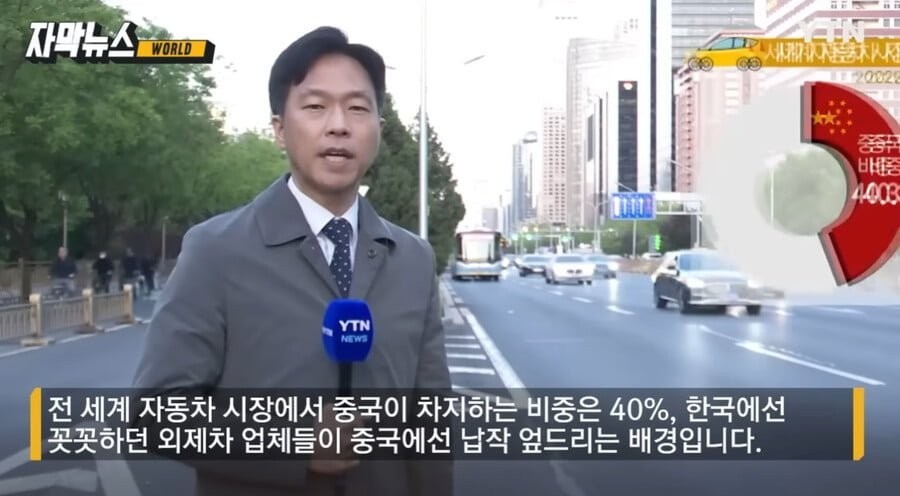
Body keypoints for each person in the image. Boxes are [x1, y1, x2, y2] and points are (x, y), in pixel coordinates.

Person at [132, 26, 452, 496]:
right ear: (280, 129)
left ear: (378, 130)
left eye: (358, 108)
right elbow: (156, 414)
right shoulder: (216, 250)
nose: (339, 125)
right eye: (316, 106)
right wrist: (292, 443)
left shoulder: (412, 259)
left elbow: (431, 423)